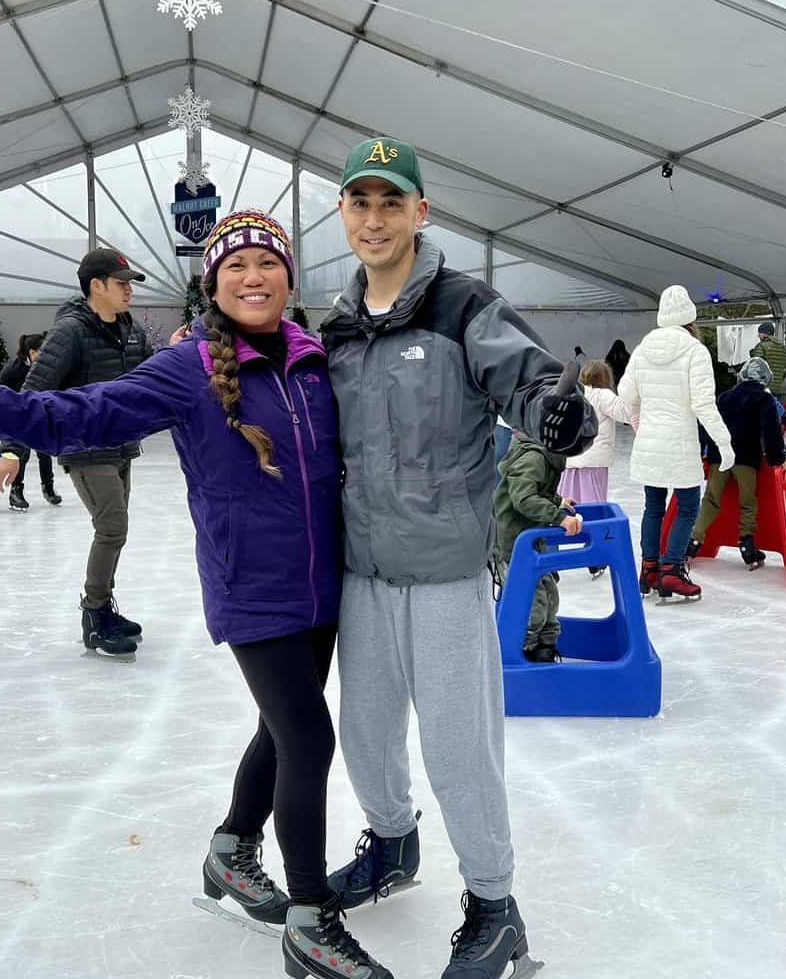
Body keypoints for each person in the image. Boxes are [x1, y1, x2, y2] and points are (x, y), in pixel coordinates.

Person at [0, 210, 393, 979]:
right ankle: (309, 922)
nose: (254, 278)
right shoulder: (186, 371)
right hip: (252, 586)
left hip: (323, 585)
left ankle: (231, 850)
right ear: (213, 283)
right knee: (309, 740)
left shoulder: (316, 362)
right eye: (236, 266)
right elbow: (76, 412)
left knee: (282, 733)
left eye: (268, 264)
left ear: (288, 277)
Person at [320, 136, 596, 979]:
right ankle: (393, 846)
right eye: (360, 203)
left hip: (442, 573)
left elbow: (532, 382)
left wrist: (556, 413)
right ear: (344, 215)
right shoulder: (332, 326)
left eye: (391, 202)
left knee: (459, 747)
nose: (375, 219)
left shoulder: (465, 307)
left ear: (420, 213)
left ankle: (494, 905)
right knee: (365, 736)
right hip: (360, 571)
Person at [0, 249, 151, 656]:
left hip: (121, 446)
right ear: (97, 286)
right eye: (121, 283)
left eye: (130, 282)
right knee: (112, 527)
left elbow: (149, 376)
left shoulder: (129, 328)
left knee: (117, 531)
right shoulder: (70, 333)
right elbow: (33, 391)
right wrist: (11, 449)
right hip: (84, 448)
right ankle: (94, 615)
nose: (129, 290)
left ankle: (105, 607)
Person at [618, 285, 734, 603]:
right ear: (689, 318)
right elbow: (703, 405)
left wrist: (643, 416)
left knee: (653, 507)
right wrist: (724, 443)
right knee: (687, 508)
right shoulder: (695, 351)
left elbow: (627, 395)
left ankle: (649, 569)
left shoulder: (643, 349)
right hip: (680, 444)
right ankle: (670, 571)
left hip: (649, 444)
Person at [686, 357, 785, 570]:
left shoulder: (725, 397)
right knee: (748, 501)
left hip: (719, 457)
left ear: (741, 376)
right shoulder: (764, 399)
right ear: (766, 378)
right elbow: (771, 429)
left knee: (711, 499)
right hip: (746, 458)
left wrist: (706, 450)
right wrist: (776, 457)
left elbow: (706, 424)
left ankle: (693, 541)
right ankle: (747, 546)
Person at [494, 432, 583, 662]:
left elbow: (537, 491)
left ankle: (546, 644)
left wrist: (557, 501)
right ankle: (524, 651)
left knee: (549, 592)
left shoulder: (546, 455)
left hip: (530, 541)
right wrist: (558, 517)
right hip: (513, 543)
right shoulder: (533, 458)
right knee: (533, 599)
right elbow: (523, 498)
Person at [558, 359, 635, 578]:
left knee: (564, 507)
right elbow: (626, 414)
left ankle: (549, 549)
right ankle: (594, 556)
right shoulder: (602, 395)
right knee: (594, 511)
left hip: (570, 462)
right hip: (594, 462)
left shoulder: (573, 394)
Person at [0, 333, 62, 509]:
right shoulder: (13, 369)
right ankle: (16, 492)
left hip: (41, 417)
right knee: (21, 455)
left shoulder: (45, 368)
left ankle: (48, 488)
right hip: (19, 419)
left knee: (44, 454)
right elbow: (1, 394)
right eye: (43, 351)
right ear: (32, 352)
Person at [748, 322, 786, 395]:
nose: (758, 335)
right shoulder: (782, 347)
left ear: (765, 333)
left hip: (763, 388)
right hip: (777, 388)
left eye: (759, 333)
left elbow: (755, 368)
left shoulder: (761, 346)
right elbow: (785, 370)